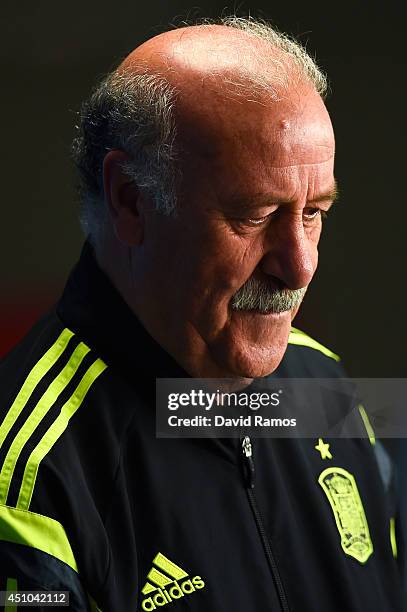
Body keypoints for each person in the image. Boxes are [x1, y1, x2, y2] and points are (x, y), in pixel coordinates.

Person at [0, 16, 404, 612]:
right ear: (130, 200)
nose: (299, 268)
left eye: (314, 212)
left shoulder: (326, 388)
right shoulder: (31, 476)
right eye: (255, 215)